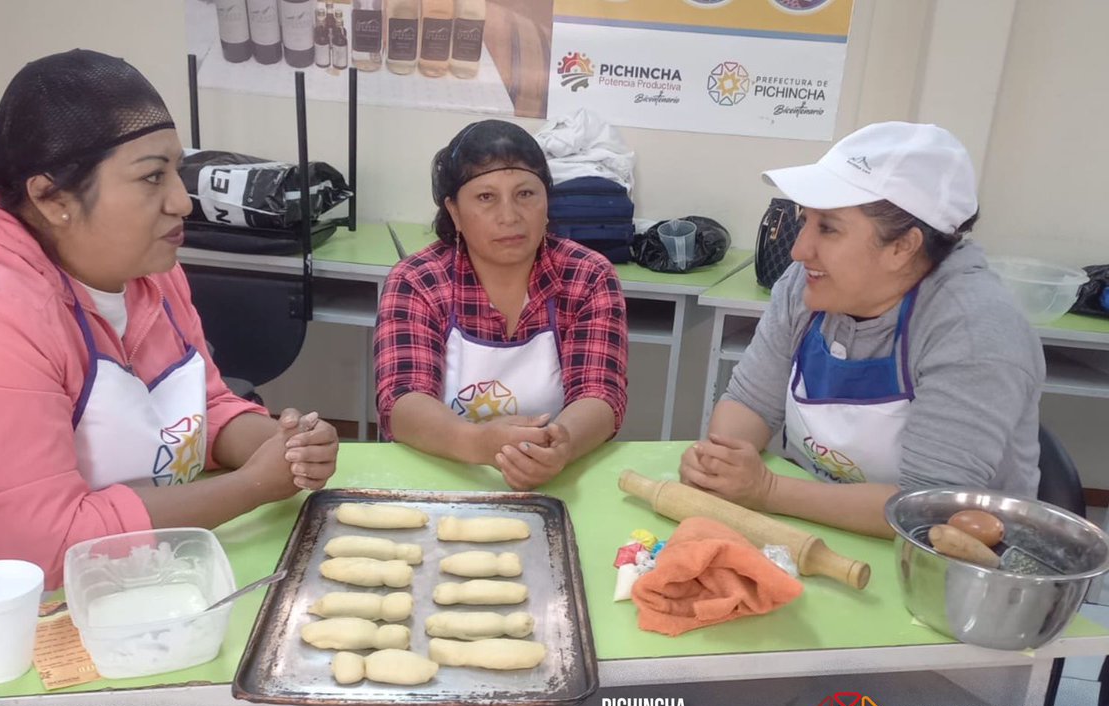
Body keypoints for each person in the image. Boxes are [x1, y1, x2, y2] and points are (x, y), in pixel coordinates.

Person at [0, 50, 339, 678]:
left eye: (178, 173)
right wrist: (253, 485)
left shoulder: (145, 273)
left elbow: (205, 405)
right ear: (52, 196)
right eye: (151, 178)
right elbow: (47, 550)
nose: (182, 203)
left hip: (140, 587)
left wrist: (280, 444)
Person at [682, 121, 1044, 538]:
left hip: (946, 568)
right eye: (805, 221)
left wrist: (766, 489)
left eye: (828, 228)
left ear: (902, 247)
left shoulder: (974, 331)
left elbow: (927, 508)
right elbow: (749, 403)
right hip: (814, 530)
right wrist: (721, 466)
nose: (799, 250)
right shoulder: (807, 285)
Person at [374, 120, 628, 490]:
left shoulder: (588, 276)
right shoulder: (417, 280)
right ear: (455, 212)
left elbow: (601, 394)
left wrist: (561, 446)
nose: (509, 216)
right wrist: (478, 443)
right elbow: (401, 401)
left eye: (526, 194)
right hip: (442, 475)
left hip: (557, 479)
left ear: (547, 203)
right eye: (485, 197)